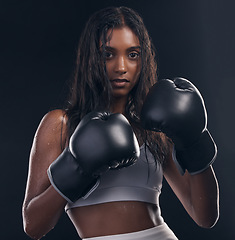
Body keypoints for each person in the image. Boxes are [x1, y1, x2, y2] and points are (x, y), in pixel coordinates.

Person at [22, 6, 219, 240]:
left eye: (133, 54)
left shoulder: (153, 126)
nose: (122, 67)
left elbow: (205, 217)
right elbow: (33, 226)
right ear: (92, 59)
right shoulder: (61, 125)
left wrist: (194, 140)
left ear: (142, 59)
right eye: (108, 54)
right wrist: (77, 167)